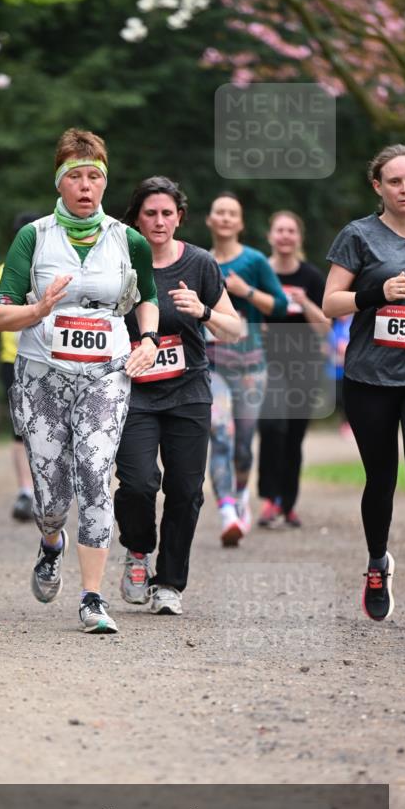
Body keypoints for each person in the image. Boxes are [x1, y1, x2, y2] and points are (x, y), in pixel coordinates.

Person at [0, 128, 159, 634]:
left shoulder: (127, 239)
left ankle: (91, 598)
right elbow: (2, 317)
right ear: (59, 183)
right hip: (43, 374)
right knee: (52, 496)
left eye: (94, 177)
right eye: (76, 177)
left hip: (105, 373)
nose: (86, 186)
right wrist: (39, 308)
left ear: (105, 183)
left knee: (94, 473)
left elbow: (146, 295)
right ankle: (50, 543)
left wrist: (148, 338)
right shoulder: (34, 236)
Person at [114, 177, 240, 614]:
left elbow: (235, 327)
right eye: (150, 213)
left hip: (189, 391)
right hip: (133, 393)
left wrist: (203, 311)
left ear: (180, 217)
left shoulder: (201, 264)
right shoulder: (119, 264)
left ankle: (169, 583)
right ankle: (136, 551)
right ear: (136, 218)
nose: (159, 221)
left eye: (167, 213)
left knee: (186, 489)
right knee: (138, 483)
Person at [323, 143, 405, 622]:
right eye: (395, 181)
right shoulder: (359, 235)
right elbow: (330, 303)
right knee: (381, 478)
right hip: (370, 378)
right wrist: (378, 292)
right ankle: (378, 562)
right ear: (378, 187)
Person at [205, 193, 288, 545]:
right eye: (219, 212)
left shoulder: (253, 260)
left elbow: (281, 306)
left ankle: (240, 495)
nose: (224, 218)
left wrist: (245, 291)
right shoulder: (200, 261)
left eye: (231, 214)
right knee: (219, 434)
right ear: (209, 219)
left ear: (239, 223)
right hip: (212, 364)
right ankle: (226, 511)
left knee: (242, 446)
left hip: (251, 365)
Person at [257, 211, 330, 528]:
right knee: (272, 429)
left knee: (295, 435)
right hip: (268, 363)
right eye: (279, 230)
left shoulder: (312, 277)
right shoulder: (260, 272)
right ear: (270, 236)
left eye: (291, 231)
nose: (285, 236)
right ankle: (269, 500)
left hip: (304, 364)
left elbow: (325, 328)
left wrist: (305, 301)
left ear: (298, 237)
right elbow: (246, 315)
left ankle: (288, 504)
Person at [0, 213, 40, 522]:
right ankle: (25, 492)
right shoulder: (2, 272)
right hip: (12, 359)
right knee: (20, 429)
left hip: (49, 360)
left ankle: (52, 489)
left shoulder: (53, 271)